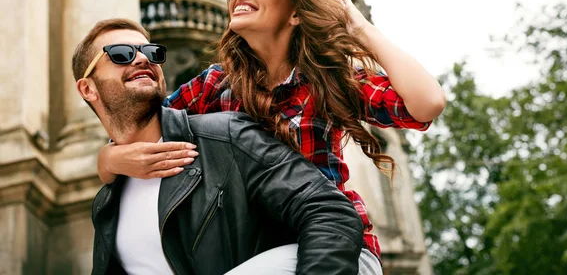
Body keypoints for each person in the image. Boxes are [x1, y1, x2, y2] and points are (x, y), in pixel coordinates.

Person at [97, 0, 447, 274]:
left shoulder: (329, 79)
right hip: (259, 253)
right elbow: (139, 132)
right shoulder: (215, 84)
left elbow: (427, 103)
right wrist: (109, 160)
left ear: (296, 11)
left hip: (335, 248)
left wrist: (360, 29)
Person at [74, 18, 365, 275]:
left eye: (151, 53)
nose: (142, 60)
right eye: (121, 54)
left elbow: (329, 212)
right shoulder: (106, 203)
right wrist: (108, 158)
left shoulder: (224, 135)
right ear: (88, 89)